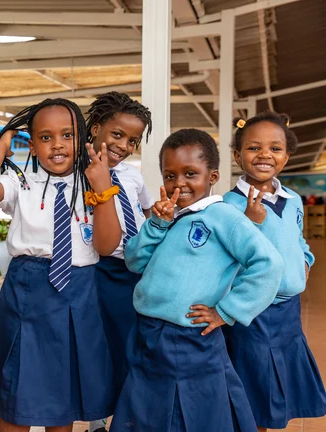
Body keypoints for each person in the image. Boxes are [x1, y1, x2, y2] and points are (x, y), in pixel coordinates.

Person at [110, 128, 284, 432]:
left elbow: (268, 264)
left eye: (191, 173)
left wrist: (226, 311)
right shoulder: (168, 217)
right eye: (170, 175)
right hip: (147, 331)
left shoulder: (224, 217)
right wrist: (156, 225)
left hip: (187, 336)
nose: (179, 183)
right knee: (146, 412)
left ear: (212, 176)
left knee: (188, 412)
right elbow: (134, 260)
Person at [0, 98, 121, 431]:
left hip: (77, 294)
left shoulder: (95, 183)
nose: (57, 144)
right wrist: (3, 142)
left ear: (81, 138)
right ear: (32, 144)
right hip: (28, 292)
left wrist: (103, 187)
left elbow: (107, 244)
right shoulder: (22, 182)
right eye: (46, 137)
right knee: (17, 396)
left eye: (67, 135)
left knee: (61, 397)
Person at [223, 112, 326, 431]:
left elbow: (297, 239)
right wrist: (251, 221)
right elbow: (228, 258)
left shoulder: (293, 200)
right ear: (237, 155)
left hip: (288, 314)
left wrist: (306, 260)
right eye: (254, 148)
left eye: (275, 148)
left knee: (275, 387)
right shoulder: (229, 205)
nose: (265, 155)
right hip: (254, 314)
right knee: (255, 389)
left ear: (287, 154)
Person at [84, 92, 153, 432]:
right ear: (96, 128)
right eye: (117, 135)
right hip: (101, 268)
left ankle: (127, 416)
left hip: (136, 268)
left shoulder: (132, 174)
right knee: (102, 344)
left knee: (131, 343)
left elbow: (146, 209)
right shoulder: (78, 173)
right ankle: (97, 419)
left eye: (133, 140)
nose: (124, 145)